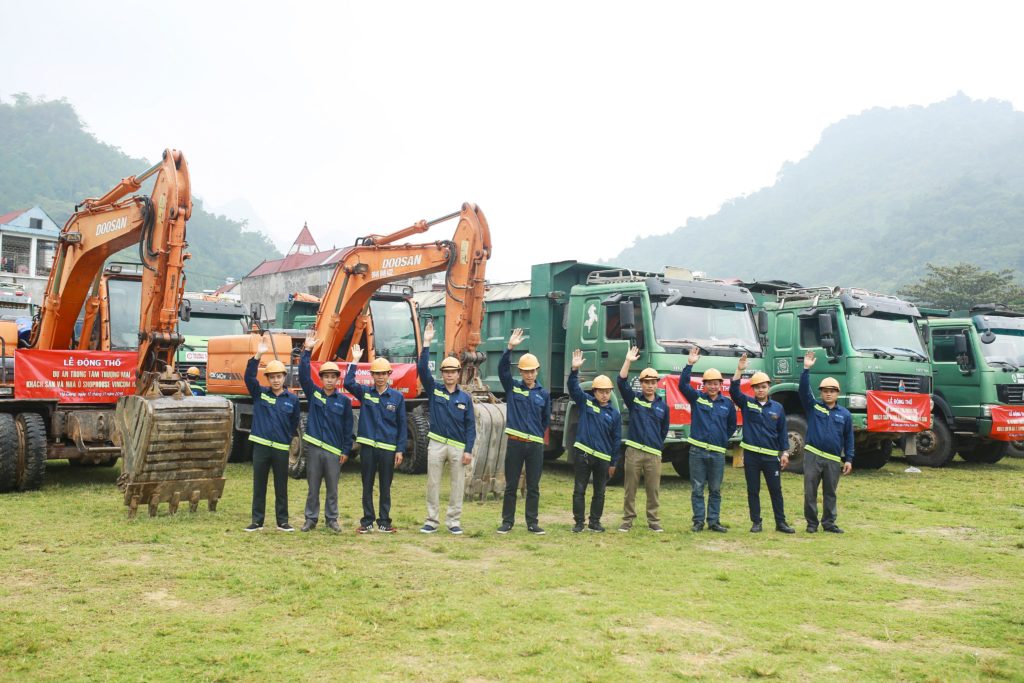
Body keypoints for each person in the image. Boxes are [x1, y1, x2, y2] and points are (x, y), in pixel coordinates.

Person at [418, 320, 476, 535]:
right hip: (437, 443)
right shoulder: (435, 391)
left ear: (458, 374)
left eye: (453, 371)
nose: (450, 375)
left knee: (457, 484)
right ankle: (431, 521)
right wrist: (426, 344)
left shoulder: (465, 398)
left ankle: (453, 521)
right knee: (433, 483)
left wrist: (468, 450)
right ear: (442, 374)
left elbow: (470, 426)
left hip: (458, 447)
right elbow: (422, 370)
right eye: (446, 372)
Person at [730, 354, 795, 534]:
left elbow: (782, 431)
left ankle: (781, 523)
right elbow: (734, 391)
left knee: (776, 490)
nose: (760, 390)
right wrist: (739, 370)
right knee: (753, 490)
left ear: (768, 388)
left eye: (764, 387)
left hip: (770, 457)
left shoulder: (777, 408)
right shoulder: (747, 403)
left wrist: (785, 452)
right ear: (753, 389)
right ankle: (756, 522)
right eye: (757, 387)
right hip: (751, 456)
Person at [345, 343, 406, 534]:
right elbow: (348, 383)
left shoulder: (397, 397)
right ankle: (367, 522)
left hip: (388, 448)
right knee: (367, 485)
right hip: (368, 448)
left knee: (385, 486)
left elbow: (402, 425)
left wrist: (400, 449)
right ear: (372, 375)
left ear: (389, 374)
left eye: (383, 374)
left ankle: (384, 522)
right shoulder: (366, 393)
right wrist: (355, 361)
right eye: (377, 374)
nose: (380, 377)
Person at [497, 327, 551, 535]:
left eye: (532, 371)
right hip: (515, 442)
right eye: (526, 371)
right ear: (520, 372)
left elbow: (545, 419)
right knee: (511, 485)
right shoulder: (513, 388)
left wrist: (535, 435)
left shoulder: (543, 394)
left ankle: (532, 523)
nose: (529, 374)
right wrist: (509, 348)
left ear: (537, 371)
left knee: (533, 486)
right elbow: (502, 371)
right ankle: (507, 522)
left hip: (534, 445)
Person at [298, 334, 353, 533]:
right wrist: (307, 351)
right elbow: (303, 376)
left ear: (338, 379)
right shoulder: (314, 394)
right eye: (326, 376)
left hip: (333, 451)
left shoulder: (344, 402)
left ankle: (332, 519)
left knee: (332, 488)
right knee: (313, 487)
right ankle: (310, 519)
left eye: (333, 377)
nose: (329, 380)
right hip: (314, 449)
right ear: (321, 379)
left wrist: (345, 450)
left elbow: (348, 428)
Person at [244, 341, 301, 532]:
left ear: (284, 377)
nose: (276, 380)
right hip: (261, 447)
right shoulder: (260, 394)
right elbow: (249, 377)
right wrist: (257, 356)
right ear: (267, 379)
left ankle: (282, 521)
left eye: (279, 376)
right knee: (259, 485)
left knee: (281, 486)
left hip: (280, 448)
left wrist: (285, 438)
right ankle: (257, 521)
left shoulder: (292, 399)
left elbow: (293, 423)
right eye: (272, 377)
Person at [680, 346, 736, 532]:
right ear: (704, 385)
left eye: (716, 383)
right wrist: (689, 364)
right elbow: (682, 386)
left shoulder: (727, 404)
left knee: (715, 489)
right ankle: (698, 522)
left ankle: (714, 522)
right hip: (697, 452)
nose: (713, 386)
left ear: (721, 385)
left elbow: (731, 426)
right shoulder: (697, 398)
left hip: (717, 453)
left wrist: (721, 439)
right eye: (709, 383)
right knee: (697, 488)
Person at [800, 350, 854, 533]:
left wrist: (848, 459)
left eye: (832, 391)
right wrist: (806, 369)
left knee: (830, 492)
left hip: (833, 459)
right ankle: (811, 524)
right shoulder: (814, 407)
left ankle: (829, 523)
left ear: (837, 393)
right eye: (825, 391)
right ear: (821, 393)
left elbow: (849, 438)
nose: (828, 394)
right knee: (810, 491)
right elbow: (803, 392)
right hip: (813, 456)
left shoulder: (845, 414)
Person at [616, 346, 669, 532]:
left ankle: (653, 521)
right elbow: (621, 382)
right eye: (646, 382)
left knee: (653, 490)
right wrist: (628, 361)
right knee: (630, 489)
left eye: (653, 382)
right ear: (641, 384)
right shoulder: (635, 401)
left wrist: (656, 445)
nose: (650, 386)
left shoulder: (663, 407)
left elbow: (664, 430)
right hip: (634, 452)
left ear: (657, 384)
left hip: (654, 454)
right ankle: (627, 520)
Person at [568, 349, 621, 533]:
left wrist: (613, 462)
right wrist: (574, 370)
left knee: (600, 492)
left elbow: (616, 439)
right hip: (583, 454)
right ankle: (579, 523)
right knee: (579, 489)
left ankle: (595, 522)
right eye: (601, 391)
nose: (604, 395)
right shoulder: (586, 402)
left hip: (603, 458)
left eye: (607, 392)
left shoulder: (614, 414)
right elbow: (573, 389)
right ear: (594, 391)